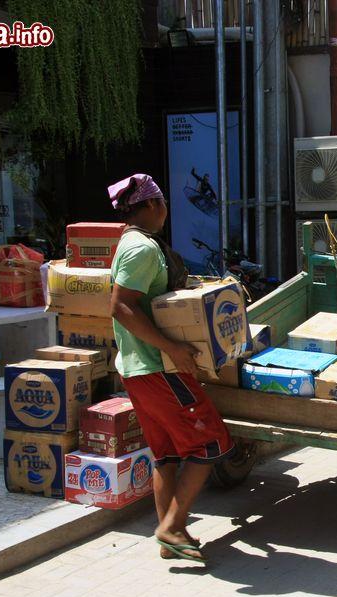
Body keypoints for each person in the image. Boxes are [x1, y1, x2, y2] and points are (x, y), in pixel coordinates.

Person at [108, 173, 234, 563]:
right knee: (212, 442)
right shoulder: (142, 249)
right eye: (162, 202)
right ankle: (172, 526)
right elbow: (121, 306)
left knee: (166, 454)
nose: (166, 209)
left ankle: (168, 537)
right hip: (157, 367)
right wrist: (174, 349)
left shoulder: (130, 244)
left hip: (136, 369)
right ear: (150, 206)